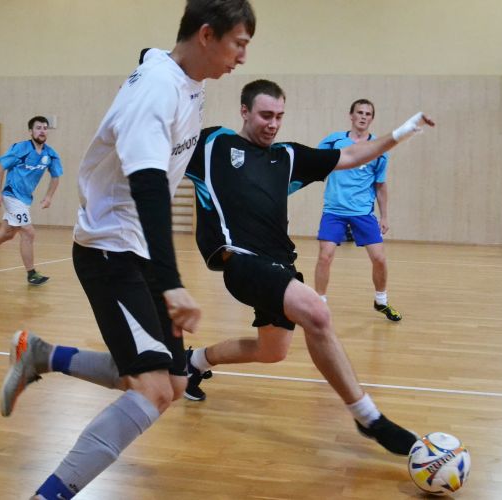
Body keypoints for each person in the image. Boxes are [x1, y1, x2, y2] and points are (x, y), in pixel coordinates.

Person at [0, 2, 255, 498]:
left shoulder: (185, 77)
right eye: (238, 44)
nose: (242, 57)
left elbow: (149, 56)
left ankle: (41, 355)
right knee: (152, 389)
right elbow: (149, 189)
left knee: (173, 382)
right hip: (110, 250)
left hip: (138, 249)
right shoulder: (158, 89)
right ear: (207, 35)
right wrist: (172, 284)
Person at [182, 80, 434, 455]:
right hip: (240, 260)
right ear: (244, 111)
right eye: (265, 115)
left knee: (272, 351)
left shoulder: (287, 156)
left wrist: (403, 132)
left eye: (279, 116)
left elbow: (351, 155)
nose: (273, 124)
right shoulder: (213, 144)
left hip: (279, 265)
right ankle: (369, 418)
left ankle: (193, 361)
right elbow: (160, 147)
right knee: (316, 311)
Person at [314, 98, 401, 321]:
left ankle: (381, 301)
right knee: (325, 256)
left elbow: (380, 185)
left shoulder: (379, 150)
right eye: (360, 112)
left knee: (379, 258)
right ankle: (319, 304)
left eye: (367, 114)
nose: (363, 117)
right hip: (334, 211)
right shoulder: (333, 142)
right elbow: (313, 162)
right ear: (351, 116)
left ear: (372, 119)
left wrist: (384, 216)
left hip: (362, 213)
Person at [0, 116, 62, 285]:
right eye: (38, 128)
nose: (42, 131)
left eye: (45, 128)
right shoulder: (21, 148)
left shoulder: (50, 154)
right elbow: (0, 167)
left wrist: (48, 197)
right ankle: (31, 274)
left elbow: (56, 176)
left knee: (8, 233)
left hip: (25, 199)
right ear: (31, 131)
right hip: (12, 195)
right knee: (28, 232)